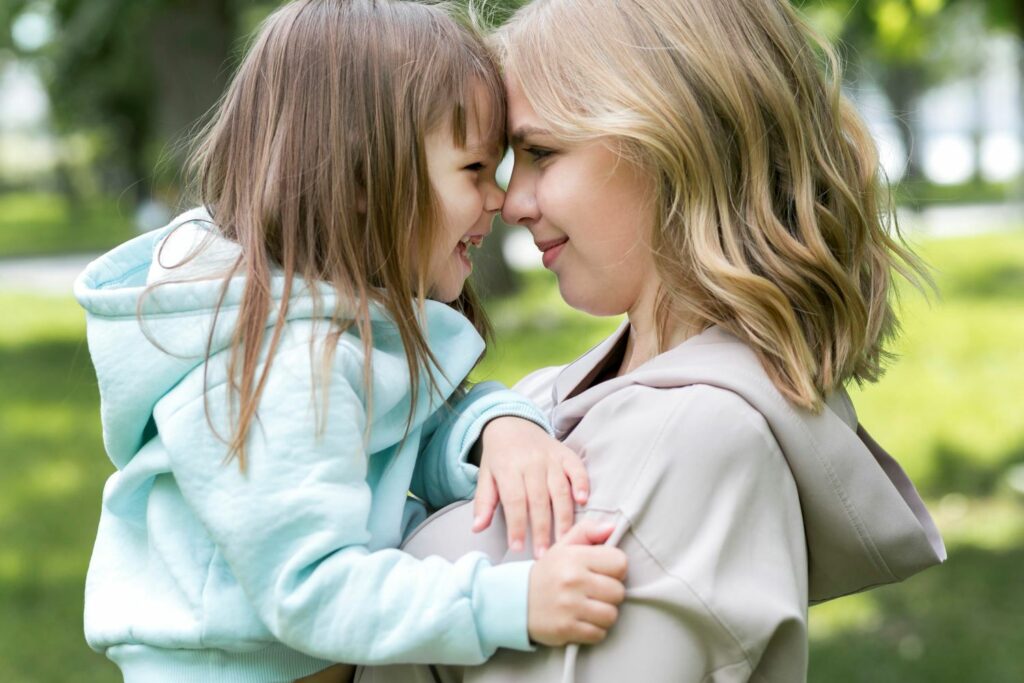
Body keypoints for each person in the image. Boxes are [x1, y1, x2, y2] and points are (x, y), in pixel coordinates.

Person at [354, 0, 946, 681]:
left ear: (673, 143)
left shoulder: (698, 438)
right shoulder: (543, 400)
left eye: (541, 152)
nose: (512, 201)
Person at [73, 1, 628, 681]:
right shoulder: (283, 367)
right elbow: (309, 589)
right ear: (366, 177)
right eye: (475, 169)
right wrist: (511, 602)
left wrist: (495, 426)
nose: (499, 199)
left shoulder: (336, 330)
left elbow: (394, 448)